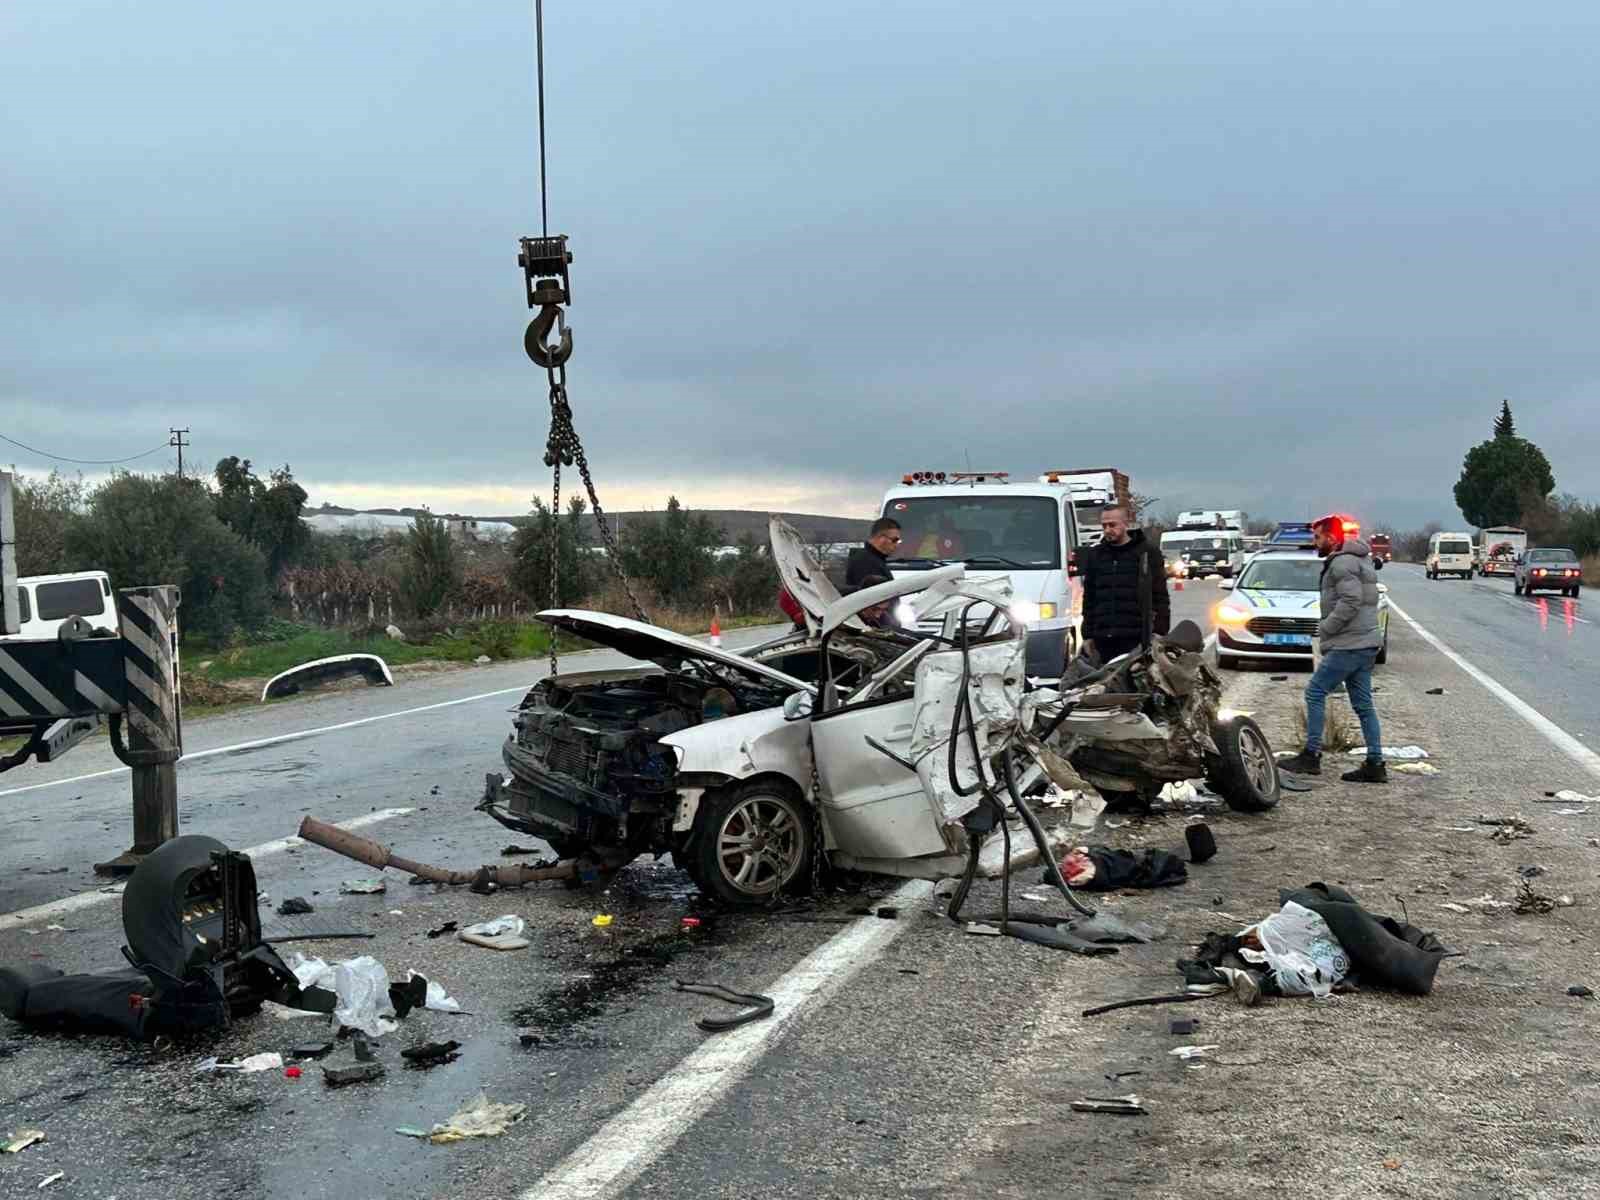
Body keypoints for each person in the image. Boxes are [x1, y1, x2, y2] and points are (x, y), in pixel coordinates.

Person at [1278, 515, 1386, 783]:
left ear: (1331, 537)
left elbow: (1351, 600)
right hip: (1366, 642)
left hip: (1349, 643)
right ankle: (1375, 762)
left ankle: (1311, 756)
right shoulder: (1359, 558)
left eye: (1318, 537)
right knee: (1363, 704)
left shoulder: (1342, 563)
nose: (1315, 542)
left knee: (1315, 691)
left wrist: (1326, 627)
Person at [1078, 505, 1169, 664]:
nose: (1107, 530)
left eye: (1112, 525)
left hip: (1137, 639)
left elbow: (1160, 596)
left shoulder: (1147, 553)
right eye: (1104, 525)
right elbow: (1089, 599)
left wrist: (1159, 632)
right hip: (1103, 639)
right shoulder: (1095, 555)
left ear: (1126, 523)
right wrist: (1087, 635)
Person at [846, 518, 902, 587]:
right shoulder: (866, 562)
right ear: (882, 539)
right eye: (895, 540)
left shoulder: (874, 559)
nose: (897, 545)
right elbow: (877, 594)